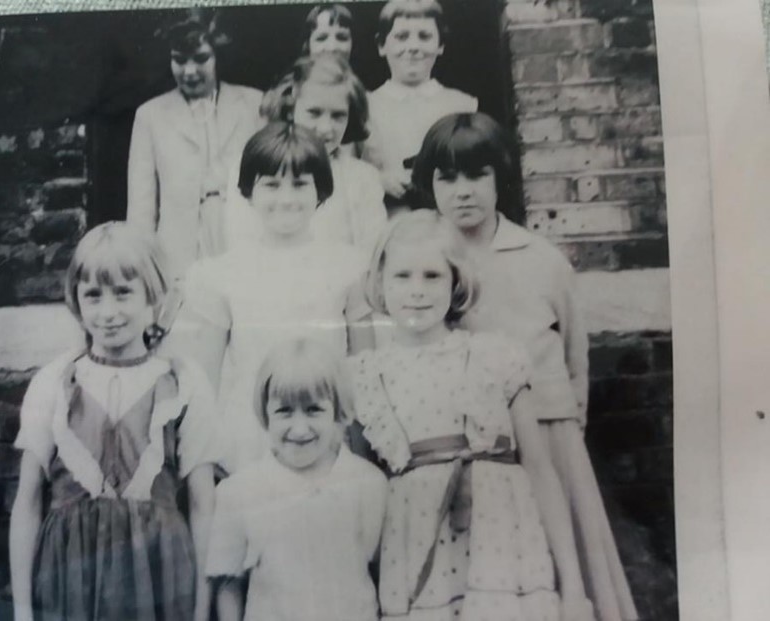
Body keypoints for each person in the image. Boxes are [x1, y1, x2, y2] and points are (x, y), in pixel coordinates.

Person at [412, 112, 638, 621]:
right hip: (466, 441)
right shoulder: (424, 260)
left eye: (477, 175)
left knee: (566, 563)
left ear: (500, 178)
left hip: (546, 432)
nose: (463, 191)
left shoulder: (541, 258)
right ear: (429, 184)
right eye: (447, 178)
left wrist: (566, 425)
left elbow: (575, 352)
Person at [347, 210, 594, 621]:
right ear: (380, 283)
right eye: (403, 276)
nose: (417, 291)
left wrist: (573, 587)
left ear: (456, 281)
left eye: (432, 276)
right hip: (416, 557)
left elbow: (540, 470)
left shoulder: (495, 357)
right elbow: (362, 499)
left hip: (504, 553)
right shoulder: (367, 377)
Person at [9, 222, 217, 621]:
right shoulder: (54, 381)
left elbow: (205, 504)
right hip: (70, 579)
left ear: (152, 294)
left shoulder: (183, 381)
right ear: (76, 301)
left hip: (161, 577)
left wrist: (201, 606)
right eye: (93, 296)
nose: (108, 312)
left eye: (123, 293)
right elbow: (28, 500)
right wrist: (22, 609)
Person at [170, 122, 372, 476]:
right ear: (249, 191)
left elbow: (366, 369)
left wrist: (363, 448)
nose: (286, 198)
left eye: (299, 184)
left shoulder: (349, 266)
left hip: (327, 431)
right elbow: (205, 380)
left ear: (321, 191)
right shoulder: (221, 273)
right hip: (251, 435)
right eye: (272, 185)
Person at [207, 338, 388, 621]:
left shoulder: (367, 483)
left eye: (314, 410)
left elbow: (377, 571)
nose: (299, 428)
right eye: (284, 411)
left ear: (338, 412)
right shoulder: (238, 492)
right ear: (265, 413)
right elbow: (229, 584)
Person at [127, 8, 263, 279]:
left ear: (217, 57)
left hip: (241, 233)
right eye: (179, 60)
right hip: (180, 246)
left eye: (201, 59)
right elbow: (142, 203)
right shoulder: (150, 115)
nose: (189, 71)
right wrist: (142, 261)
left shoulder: (254, 104)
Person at [225, 54, 386, 254]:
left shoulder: (362, 178)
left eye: (338, 116)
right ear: (291, 108)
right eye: (314, 113)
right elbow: (241, 246)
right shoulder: (253, 167)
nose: (326, 128)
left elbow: (372, 255)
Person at [361, 0, 477, 214]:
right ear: (381, 45)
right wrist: (378, 180)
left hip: (446, 222)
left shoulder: (463, 105)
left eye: (424, 36)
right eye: (401, 37)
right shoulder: (364, 106)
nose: (413, 47)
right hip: (387, 221)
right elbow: (344, 170)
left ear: (440, 45)